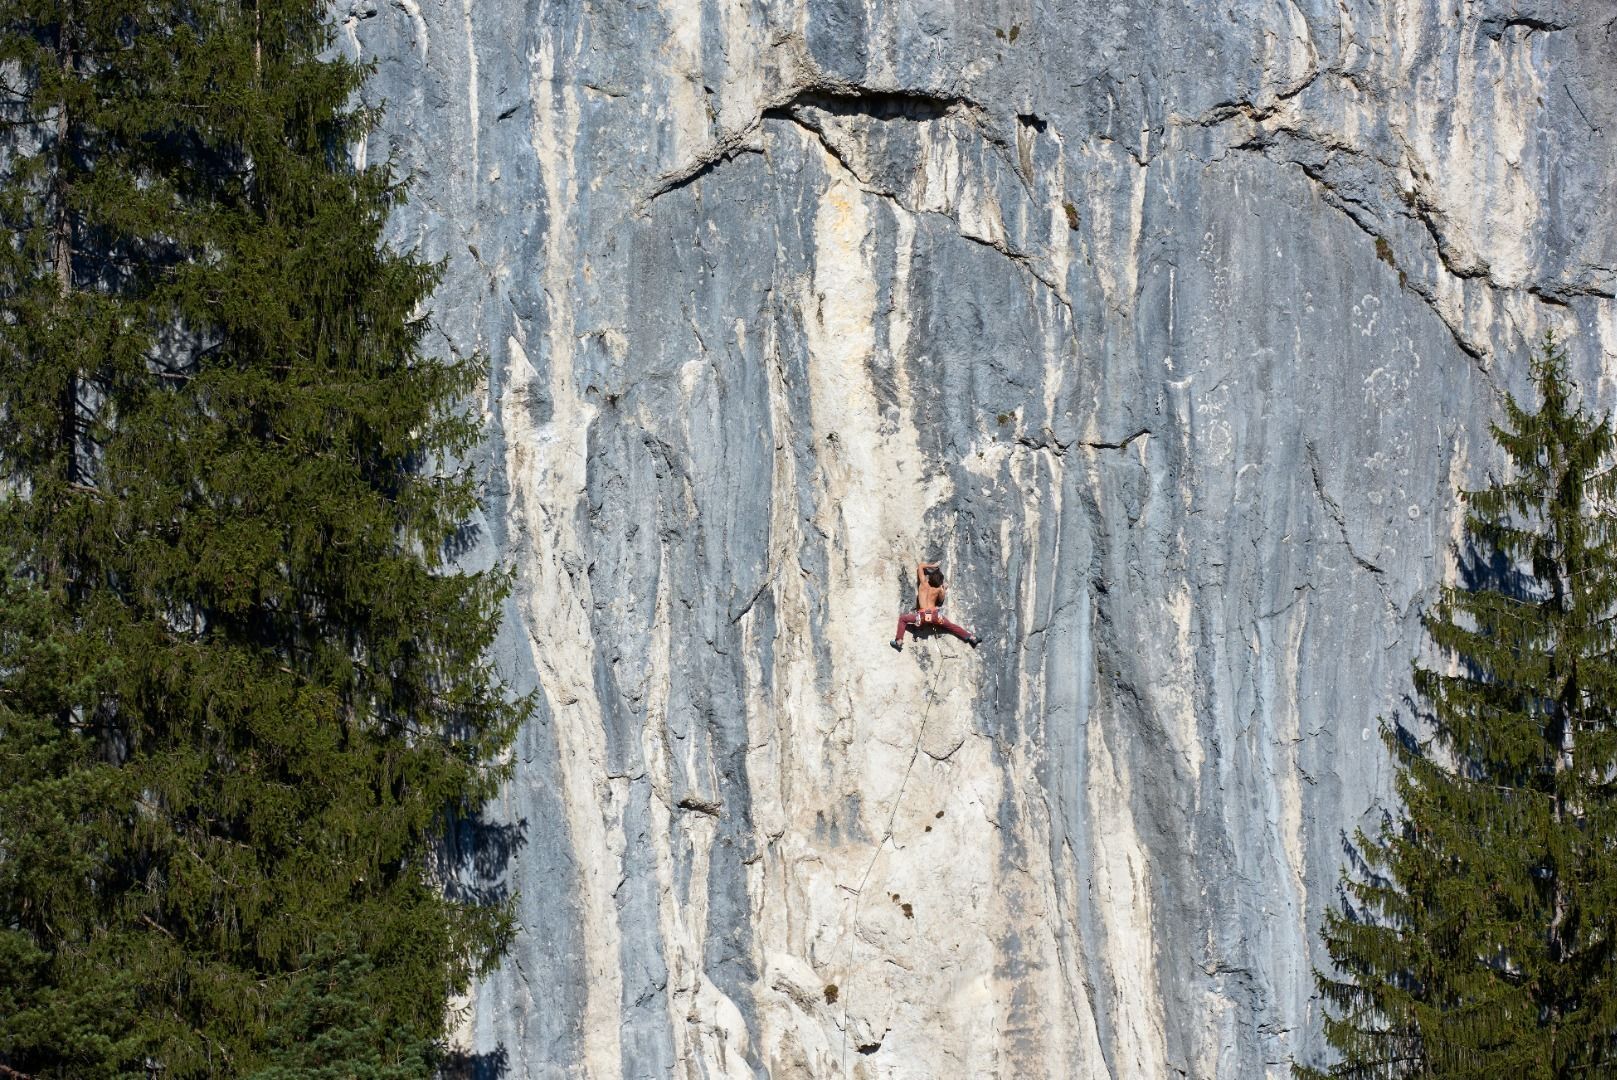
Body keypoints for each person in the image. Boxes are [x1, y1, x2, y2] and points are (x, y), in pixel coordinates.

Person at [892, 560, 981, 651]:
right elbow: (941, 600)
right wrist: (944, 589)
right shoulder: (938, 589)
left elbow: (920, 566)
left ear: (930, 578)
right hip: (935, 616)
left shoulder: (923, 583)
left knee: (903, 619)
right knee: (951, 626)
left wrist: (933, 565)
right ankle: (971, 638)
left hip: (921, 616)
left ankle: (899, 641)